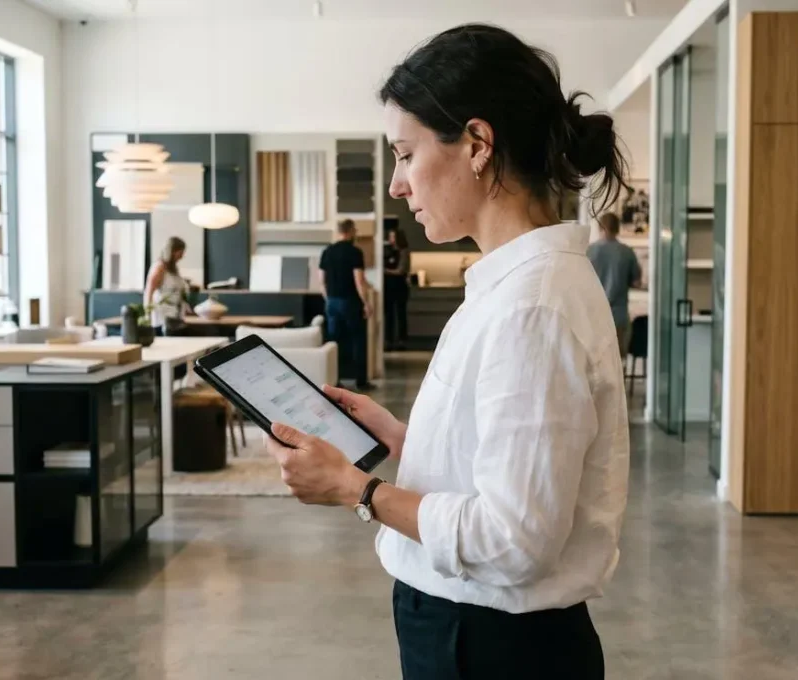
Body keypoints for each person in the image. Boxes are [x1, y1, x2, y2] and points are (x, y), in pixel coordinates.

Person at [265, 24, 630, 680]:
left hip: (489, 645)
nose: (397, 186)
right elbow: (512, 459)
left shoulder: (531, 306)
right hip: (484, 633)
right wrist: (403, 438)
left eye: (406, 155)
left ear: (477, 144)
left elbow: (515, 540)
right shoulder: (518, 285)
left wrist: (358, 488)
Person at [319, 219, 374, 390]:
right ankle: (361, 381)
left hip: (332, 303)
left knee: (334, 343)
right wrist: (366, 303)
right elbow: (359, 280)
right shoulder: (355, 252)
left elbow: (321, 282)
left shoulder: (327, 251)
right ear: (350, 231)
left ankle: (335, 381)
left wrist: (329, 300)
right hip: (350, 302)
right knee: (358, 340)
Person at [587, 212, 642, 357]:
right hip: (618, 315)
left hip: (592, 315)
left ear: (600, 228)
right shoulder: (627, 252)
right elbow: (637, 282)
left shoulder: (589, 251)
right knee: (616, 363)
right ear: (617, 228)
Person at [143, 236, 191, 334]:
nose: (182, 256)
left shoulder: (173, 269)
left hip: (174, 315)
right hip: (162, 317)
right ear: (172, 251)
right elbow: (149, 292)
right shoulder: (159, 267)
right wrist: (147, 317)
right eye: (180, 253)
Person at [382, 228, 412, 350]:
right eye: (390, 237)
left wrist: (385, 271)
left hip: (400, 287)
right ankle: (388, 340)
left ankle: (401, 340)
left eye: (393, 237)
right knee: (388, 315)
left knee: (400, 314)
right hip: (388, 287)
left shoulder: (404, 252)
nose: (390, 240)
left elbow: (401, 270)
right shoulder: (387, 251)